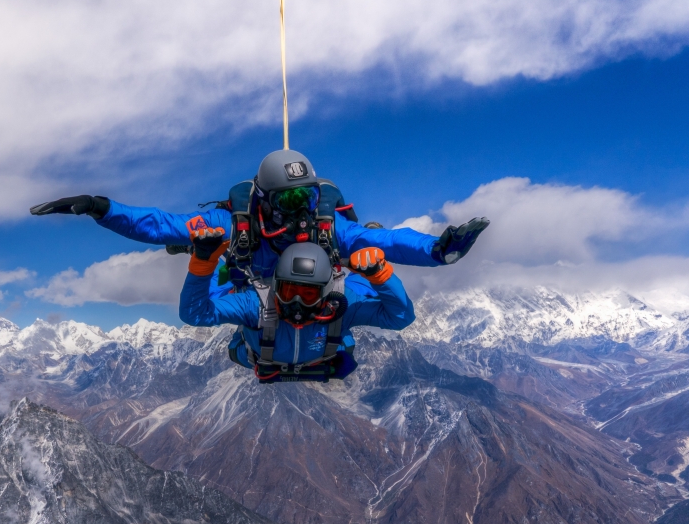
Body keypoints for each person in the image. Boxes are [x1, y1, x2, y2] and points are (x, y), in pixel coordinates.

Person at [29, 149, 489, 290]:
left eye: (304, 199)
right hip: (250, 268)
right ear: (264, 201)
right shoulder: (237, 225)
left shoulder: (326, 226)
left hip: (298, 280)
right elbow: (159, 224)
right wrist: (102, 208)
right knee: (201, 247)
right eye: (286, 203)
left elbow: (391, 241)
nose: (298, 213)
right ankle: (202, 255)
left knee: (367, 241)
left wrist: (437, 250)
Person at [178, 226, 415, 383]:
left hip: (268, 356)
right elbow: (194, 314)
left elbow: (401, 317)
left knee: (360, 282)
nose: (297, 302)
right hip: (318, 355)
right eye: (289, 291)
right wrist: (202, 262)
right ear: (275, 285)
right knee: (224, 289)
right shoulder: (257, 302)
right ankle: (210, 255)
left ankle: (364, 247)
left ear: (326, 292)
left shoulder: (341, 300)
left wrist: (379, 274)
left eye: (308, 294)